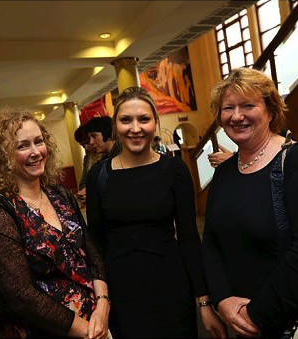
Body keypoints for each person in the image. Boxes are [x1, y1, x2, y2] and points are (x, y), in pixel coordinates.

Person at [202, 67, 298, 337]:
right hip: (241, 321)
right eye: (228, 108)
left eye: (248, 105)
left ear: (270, 109)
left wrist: (256, 315)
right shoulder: (224, 173)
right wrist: (222, 300)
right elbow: (211, 241)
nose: (237, 116)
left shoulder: (297, 162)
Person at [86, 87, 226, 338]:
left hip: (171, 287)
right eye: (126, 120)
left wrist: (204, 302)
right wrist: (102, 300)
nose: (135, 128)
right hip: (122, 292)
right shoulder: (99, 176)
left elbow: (189, 237)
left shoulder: (175, 170)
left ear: (155, 122)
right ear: (115, 126)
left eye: (144, 119)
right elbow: (95, 244)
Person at [0, 109, 110, 338]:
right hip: (50, 330)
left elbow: (92, 253)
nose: (36, 152)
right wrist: (86, 331)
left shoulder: (59, 194)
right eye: (23, 146)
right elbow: (21, 295)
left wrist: (103, 305)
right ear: (2, 156)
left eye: (39, 142)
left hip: (96, 320)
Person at [74, 124, 102, 204]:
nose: (86, 147)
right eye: (82, 145)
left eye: (87, 142)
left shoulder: (106, 154)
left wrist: (90, 191)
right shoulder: (87, 158)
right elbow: (83, 182)